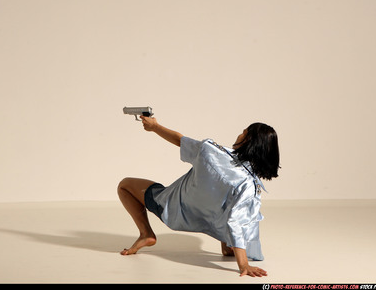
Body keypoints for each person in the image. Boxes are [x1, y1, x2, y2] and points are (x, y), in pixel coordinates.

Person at [117, 116, 280, 277]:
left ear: (248, 139)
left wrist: (155, 127)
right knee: (230, 204)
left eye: (243, 132)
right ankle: (229, 246)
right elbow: (241, 221)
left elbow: (179, 140)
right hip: (218, 224)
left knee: (125, 185)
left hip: (175, 210)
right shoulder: (250, 184)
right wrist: (245, 255)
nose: (239, 135)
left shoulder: (210, 152)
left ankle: (146, 234)